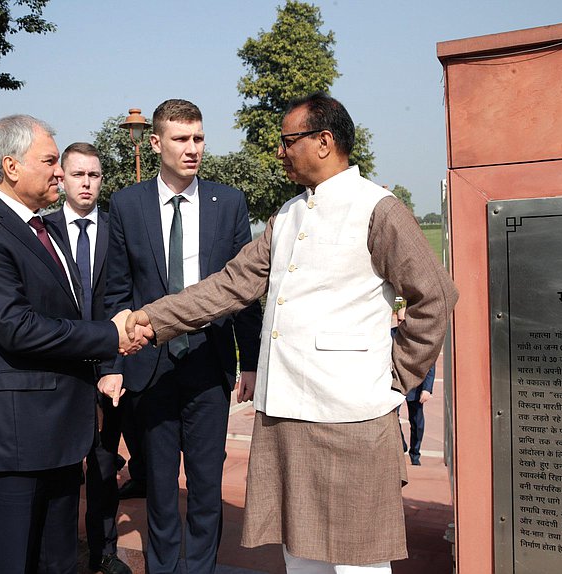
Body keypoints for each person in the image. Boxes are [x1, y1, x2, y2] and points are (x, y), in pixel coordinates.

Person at [117, 93, 458, 573]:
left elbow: (435, 297)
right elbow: (231, 285)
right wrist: (151, 320)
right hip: (286, 412)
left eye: (287, 141)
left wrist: (396, 377)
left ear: (324, 142)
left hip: (352, 417)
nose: (279, 152)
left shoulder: (377, 209)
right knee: (300, 554)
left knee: (358, 559)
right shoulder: (288, 216)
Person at [0, 115, 151, 574]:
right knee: (12, 561)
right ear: (11, 166)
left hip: (60, 435)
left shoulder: (47, 230)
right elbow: (16, 327)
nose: (60, 171)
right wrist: (109, 335)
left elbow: (68, 314)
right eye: (51, 161)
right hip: (13, 440)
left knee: (57, 561)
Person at [101, 98, 262, 574]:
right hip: (149, 367)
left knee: (206, 485)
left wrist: (249, 360)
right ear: (155, 143)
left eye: (198, 138)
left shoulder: (227, 201)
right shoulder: (127, 205)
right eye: (180, 139)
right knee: (161, 488)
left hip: (209, 363)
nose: (192, 149)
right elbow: (116, 290)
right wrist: (112, 364)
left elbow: (246, 288)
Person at [43, 142, 131, 574]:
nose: (86, 183)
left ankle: (104, 550)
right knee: (56, 468)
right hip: (56, 368)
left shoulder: (119, 229)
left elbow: (123, 300)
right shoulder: (41, 229)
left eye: (94, 175)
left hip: (106, 369)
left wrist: (112, 367)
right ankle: (51, 552)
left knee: (101, 465)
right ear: (61, 178)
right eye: (78, 174)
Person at [392, 307, 435, 466]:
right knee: (392, 418)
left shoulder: (420, 337)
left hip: (416, 387)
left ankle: (415, 454)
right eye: (399, 321)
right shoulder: (390, 335)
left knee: (417, 423)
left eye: (405, 321)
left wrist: (426, 389)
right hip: (395, 386)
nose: (402, 324)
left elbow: (430, 363)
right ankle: (401, 444)